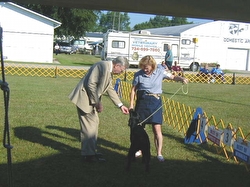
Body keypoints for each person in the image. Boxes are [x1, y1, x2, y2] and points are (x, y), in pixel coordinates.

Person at [69, 56, 130, 162]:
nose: (121, 73)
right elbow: (91, 85)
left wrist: (120, 105)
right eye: (121, 70)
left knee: (93, 124)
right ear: (117, 65)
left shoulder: (108, 69)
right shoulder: (102, 66)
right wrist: (97, 102)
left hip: (90, 100)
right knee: (89, 128)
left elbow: (109, 88)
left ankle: (91, 152)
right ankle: (88, 155)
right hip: (85, 100)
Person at [129, 55, 188, 162]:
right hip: (142, 103)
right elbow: (133, 90)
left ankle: (159, 153)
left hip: (155, 102)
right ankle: (140, 150)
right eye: (143, 67)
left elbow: (173, 77)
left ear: (152, 66)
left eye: (146, 67)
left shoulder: (160, 72)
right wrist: (131, 105)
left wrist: (182, 79)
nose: (144, 69)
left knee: (157, 129)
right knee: (140, 129)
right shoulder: (138, 75)